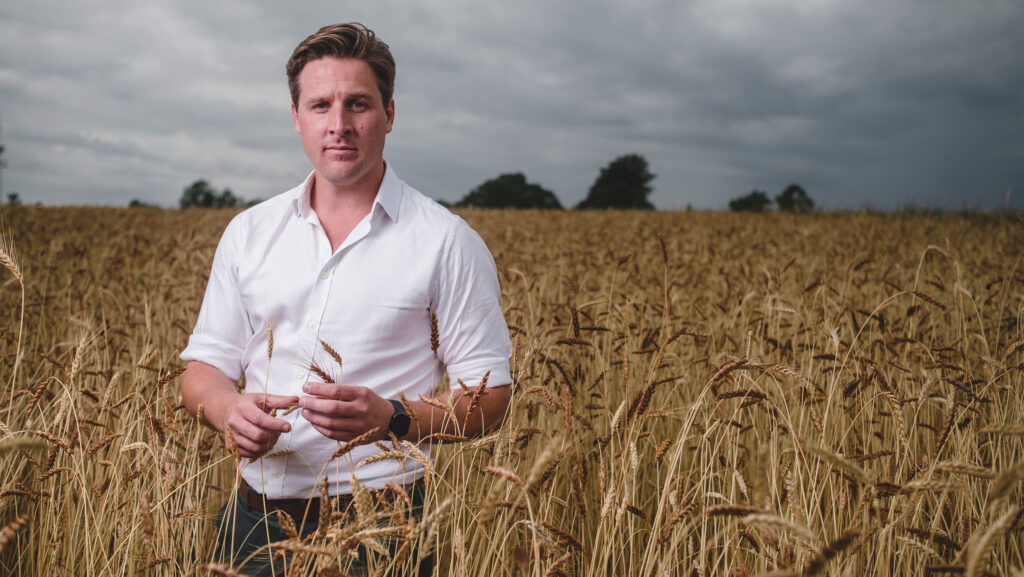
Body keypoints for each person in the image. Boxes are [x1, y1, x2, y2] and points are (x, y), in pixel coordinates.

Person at [179, 22, 513, 576]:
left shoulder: (446, 242)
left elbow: (492, 399)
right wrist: (226, 409)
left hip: (384, 528)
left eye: (358, 104)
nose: (339, 125)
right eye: (320, 105)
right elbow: (204, 367)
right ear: (295, 117)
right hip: (253, 522)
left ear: (389, 114)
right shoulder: (249, 232)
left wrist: (392, 418)